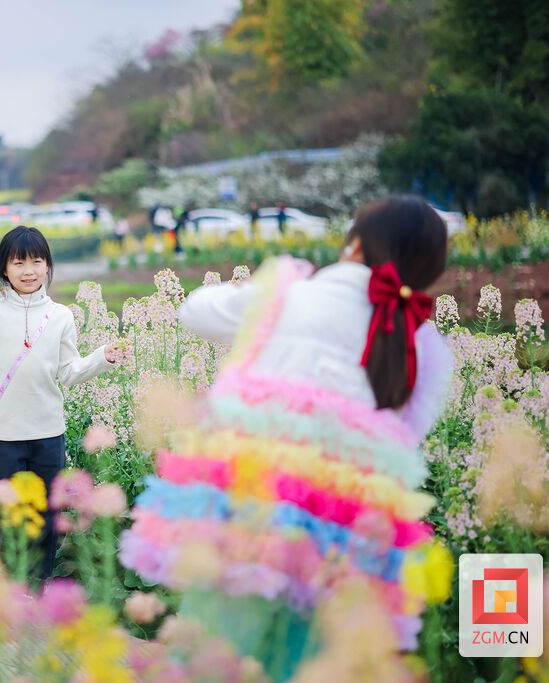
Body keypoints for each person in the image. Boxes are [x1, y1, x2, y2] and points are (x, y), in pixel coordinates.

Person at [120, 196, 453, 680]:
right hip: (346, 528)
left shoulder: (290, 293)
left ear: (354, 244)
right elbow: (405, 438)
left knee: (215, 646)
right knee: (309, 657)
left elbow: (193, 312)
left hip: (252, 501)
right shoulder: (421, 342)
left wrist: (258, 290)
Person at [0, 225, 118, 578]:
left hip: (47, 432)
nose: (29, 271)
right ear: (4, 270)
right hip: (3, 435)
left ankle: (38, 586)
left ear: (47, 266)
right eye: (18, 263)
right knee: (7, 514)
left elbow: (69, 372)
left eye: (37, 262)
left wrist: (103, 356)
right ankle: (8, 585)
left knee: (46, 513)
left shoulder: (60, 316)